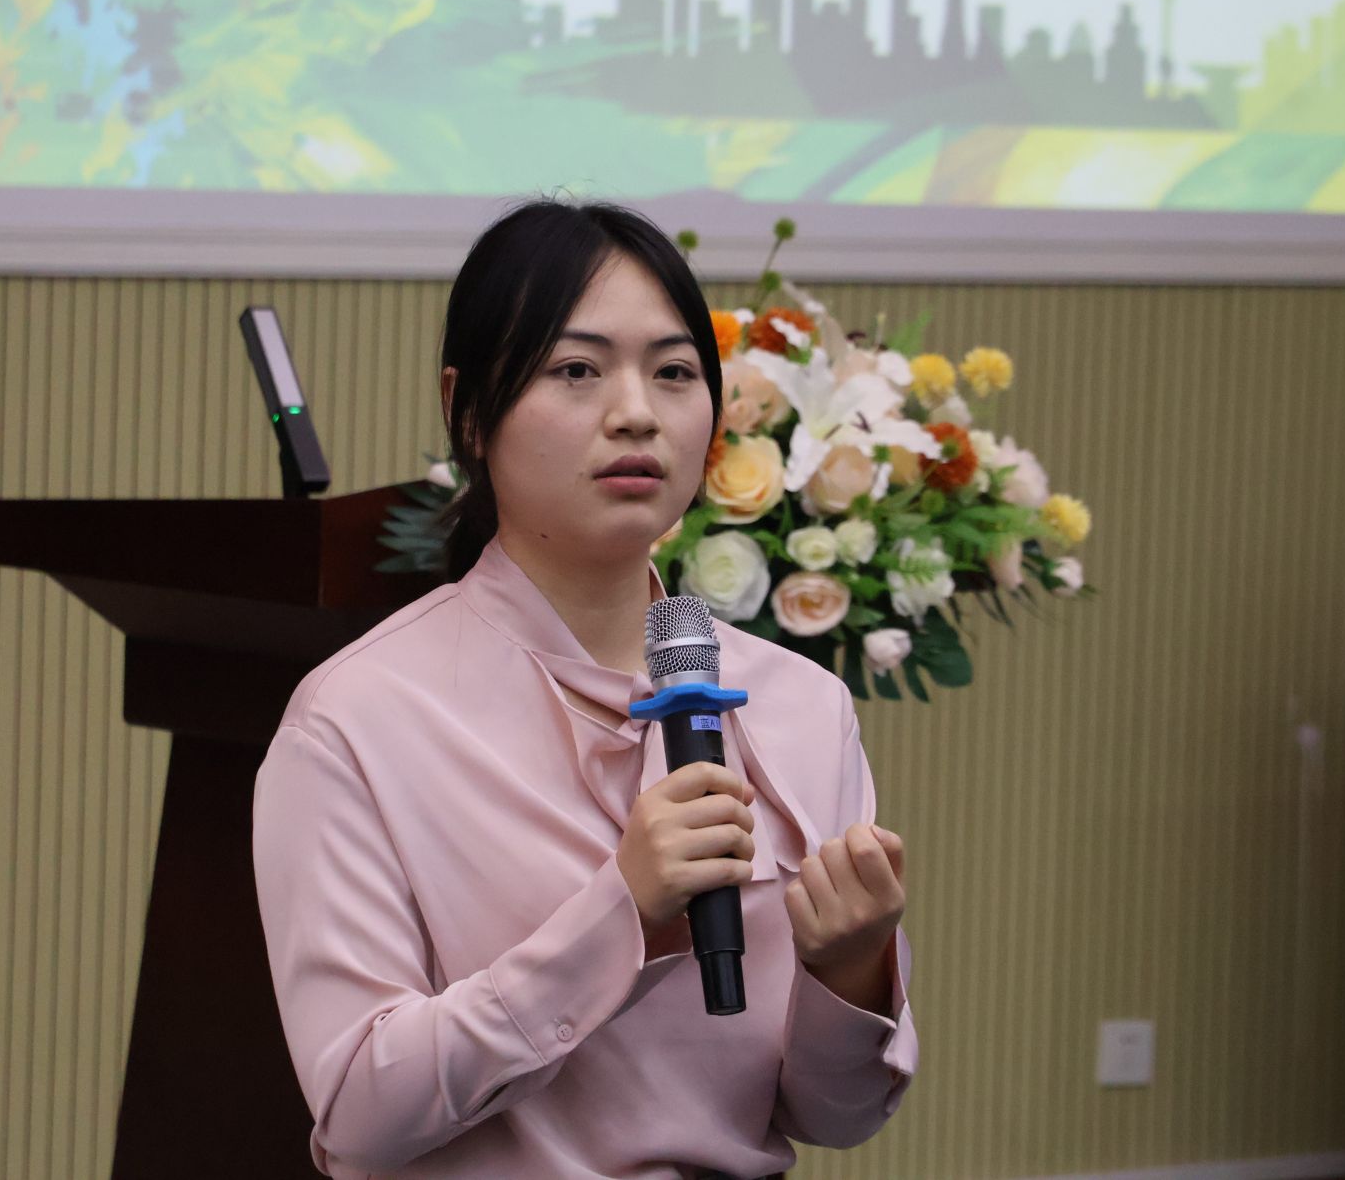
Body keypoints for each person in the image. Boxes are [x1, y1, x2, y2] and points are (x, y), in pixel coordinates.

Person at [252, 200, 919, 1179]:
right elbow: (358, 1115)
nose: (636, 412)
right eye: (576, 369)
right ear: (467, 410)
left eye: (674, 372)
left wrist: (850, 970)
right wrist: (621, 915)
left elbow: (836, 1115)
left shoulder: (800, 706)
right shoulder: (355, 718)